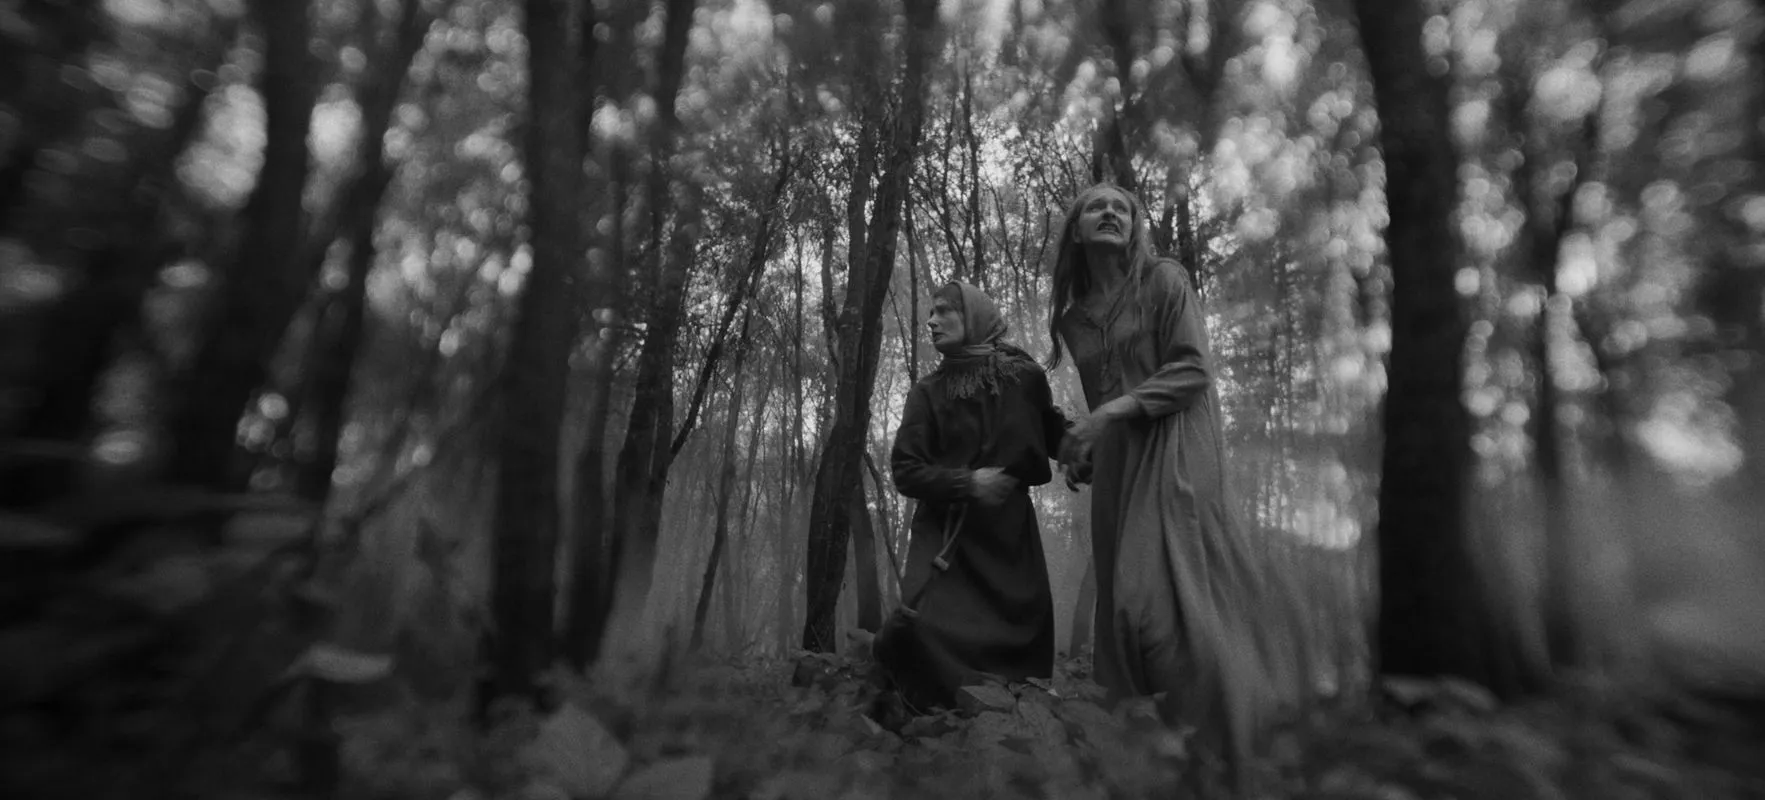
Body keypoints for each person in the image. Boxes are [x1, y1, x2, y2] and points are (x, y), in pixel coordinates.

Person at [1048, 181, 1293, 787]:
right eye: (1096, 207)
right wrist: (1090, 450)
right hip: (1121, 470)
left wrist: (1109, 415)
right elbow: (1104, 397)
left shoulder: (1164, 281)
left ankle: (1224, 750)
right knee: (1122, 618)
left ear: (1135, 227)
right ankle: (1148, 761)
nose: (1110, 212)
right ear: (1076, 230)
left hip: (1180, 449)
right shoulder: (1073, 320)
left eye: (1122, 208)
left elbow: (1193, 369)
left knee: (1160, 611)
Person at [881, 280, 1068, 713]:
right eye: (931, 312)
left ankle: (1019, 729)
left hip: (1009, 542)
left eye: (944, 311)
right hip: (946, 541)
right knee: (928, 640)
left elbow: (1053, 434)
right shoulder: (927, 392)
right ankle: (932, 729)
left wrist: (1091, 446)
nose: (931, 321)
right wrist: (967, 484)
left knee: (1022, 641)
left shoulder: (1024, 377)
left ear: (975, 317)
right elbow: (905, 470)